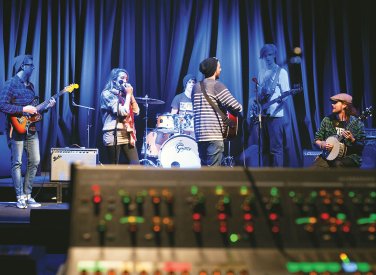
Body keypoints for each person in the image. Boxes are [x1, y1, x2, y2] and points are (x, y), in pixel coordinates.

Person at [0, 54, 56, 209]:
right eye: (30, 65)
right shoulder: (11, 84)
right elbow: (2, 105)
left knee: (35, 161)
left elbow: (33, 112)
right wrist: (23, 108)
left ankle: (27, 195)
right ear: (22, 66)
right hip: (16, 129)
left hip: (31, 129)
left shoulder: (31, 86)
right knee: (17, 162)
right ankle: (19, 197)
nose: (33, 67)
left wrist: (45, 108)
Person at [192, 57, 242, 166]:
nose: (221, 69)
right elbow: (235, 106)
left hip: (200, 136)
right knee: (213, 174)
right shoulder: (217, 85)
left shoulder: (195, 87)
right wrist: (240, 107)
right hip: (213, 135)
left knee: (204, 171)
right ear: (214, 69)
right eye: (219, 67)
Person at [256, 44, 290, 167]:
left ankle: (277, 178)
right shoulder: (261, 72)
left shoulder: (281, 72)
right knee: (264, 149)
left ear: (274, 55)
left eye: (270, 55)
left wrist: (279, 100)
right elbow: (259, 93)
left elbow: (286, 94)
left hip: (276, 116)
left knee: (276, 149)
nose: (267, 58)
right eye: (265, 56)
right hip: (263, 115)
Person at [312, 93, 365, 168]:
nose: (332, 105)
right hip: (329, 155)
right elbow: (317, 139)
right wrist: (322, 144)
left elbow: (361, 146)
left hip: (350, 157)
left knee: (337, 164)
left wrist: (352, 139)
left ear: (344, 105)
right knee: (314, 169)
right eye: (332, 103)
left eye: (335, 103)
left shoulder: (357, 124)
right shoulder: (327, 120)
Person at [100, 68, 140, 165]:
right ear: (114, 80)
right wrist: (128, 95)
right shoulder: (107, 94)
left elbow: (136, 111)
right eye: (122, 78)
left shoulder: (124, 95)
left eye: (126, 79)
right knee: (114, 168)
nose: (125, 81)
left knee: (136, 166)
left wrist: (130, 95)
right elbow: (123, 112)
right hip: (112, 134)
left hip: (127, 133)